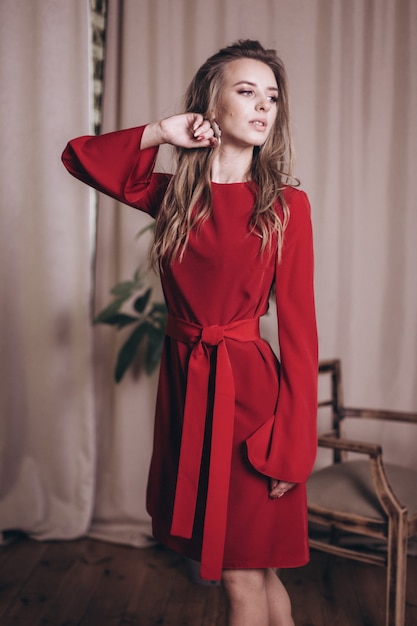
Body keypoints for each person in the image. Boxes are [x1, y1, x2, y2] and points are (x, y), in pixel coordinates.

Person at [62, 39, 318, 626]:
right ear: (212, 104)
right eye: (246, 91)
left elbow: (302, 333)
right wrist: (160, 132)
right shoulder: (176, 196)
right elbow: (81, 157)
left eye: (272, 97)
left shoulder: (285, 206)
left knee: (240, 574)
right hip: (188, 395)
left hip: (253, 402)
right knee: (254, 570)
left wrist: (294, 446)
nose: (263, 107)